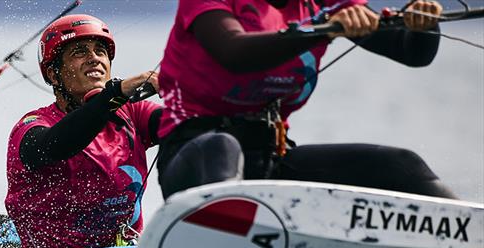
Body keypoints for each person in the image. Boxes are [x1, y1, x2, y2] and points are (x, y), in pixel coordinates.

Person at [156, 0, 456, 200]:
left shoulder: (326, 4)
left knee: (402, 166)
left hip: (270, 162)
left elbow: (412, 52)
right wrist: (321, 28)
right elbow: (233, 52)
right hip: (195, 161)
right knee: (222, 146)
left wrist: (424, 23)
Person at [5, 14, 162, 248]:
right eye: (79, 52)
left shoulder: (132, 114)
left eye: (100, 51)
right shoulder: (31, 126)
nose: (94, 58)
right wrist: (115, 93)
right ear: (54, 75)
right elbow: (57, 145)